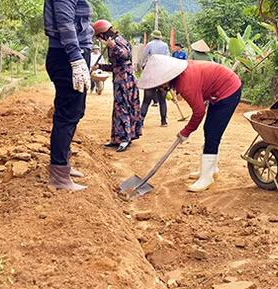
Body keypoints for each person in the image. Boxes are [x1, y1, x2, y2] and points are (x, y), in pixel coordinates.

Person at [32, 0, 113, 190]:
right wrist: (77, 60)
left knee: (74, 110)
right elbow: (66, 24)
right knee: (68, 113)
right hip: (67, 55)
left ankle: (63, 162)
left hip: (71, 54)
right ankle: (59, 174)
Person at [138, 55, 241, 192]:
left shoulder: (186, 84)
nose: (159, 87)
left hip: (229, 91)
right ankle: (210, 170)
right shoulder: (182, 75)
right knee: (209, 130)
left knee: (212, 133)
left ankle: (206, 178)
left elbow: (199, 112)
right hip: (219, 88)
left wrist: (186, 131)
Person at [92, 20, 142, 152]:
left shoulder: (118, 41)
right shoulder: (110, 43)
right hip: (118, 80)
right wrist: (99, 66)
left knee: (123, 107)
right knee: (118, 109)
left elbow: (126, 55)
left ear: (103, 34)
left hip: (126, 81)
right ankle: (117, 138)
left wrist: (113, 46)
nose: (98, 40)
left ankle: (125, 139)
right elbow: (115, 66)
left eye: (98, 37)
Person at [138, 29, 170, 126]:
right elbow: (168, 58)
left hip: (151, 73)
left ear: (152, 36)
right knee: (162, 100)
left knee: (146, 100)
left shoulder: (149, 44)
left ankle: (141, 121)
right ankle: (163, 121)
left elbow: (143, 57)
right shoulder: (165, 45)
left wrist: (142, 66)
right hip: (161, 74)